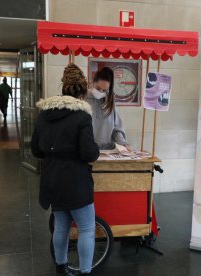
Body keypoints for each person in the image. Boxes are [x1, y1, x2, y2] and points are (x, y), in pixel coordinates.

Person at [31, 63, 100, 276]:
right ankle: (85, 272)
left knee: (61, 226)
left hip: (52, 181)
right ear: (81, 92)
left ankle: (61, 268)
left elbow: (36, 150)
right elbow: (89, 154)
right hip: (76, 182)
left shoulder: (44, 114)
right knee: (87, 228)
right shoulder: (82, 116)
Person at [86, 67, 130, 150]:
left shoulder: (110, 101)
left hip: (107, 150)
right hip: (88, 149)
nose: (101, 92)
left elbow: (116, 128)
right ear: (93, 82)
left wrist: (123, 143)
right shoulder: (84, 99)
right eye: (98, 88)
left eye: (104, 90)